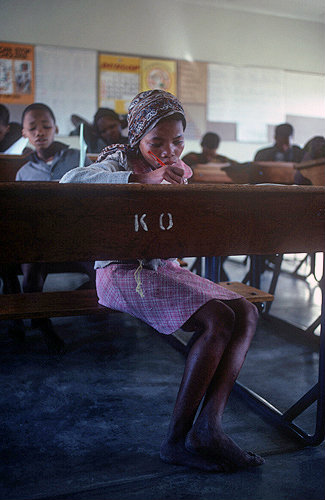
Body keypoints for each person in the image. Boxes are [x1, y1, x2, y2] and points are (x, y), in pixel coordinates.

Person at [60, 89, 264, 473]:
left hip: (162, 269)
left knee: (247, 312)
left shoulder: (179, 170)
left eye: (178, 141)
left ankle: (209, 427)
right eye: (158, 142)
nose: (170, 151)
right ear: (137, 135)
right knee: (218, 319)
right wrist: (142, 178)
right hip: (120, 273)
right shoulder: (113, 163)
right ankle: (176, 440)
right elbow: (70, 182)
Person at [15, 102, 96, 353]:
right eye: (33, 128)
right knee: (31, 269)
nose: (40, 132)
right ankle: (41, 321)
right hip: (41, 239)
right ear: (24, 134)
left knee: (100, 268)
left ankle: (94, 304)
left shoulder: (77, 158)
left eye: (46, 126)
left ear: (56, 128)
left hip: (78, 235)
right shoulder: (24, 172)